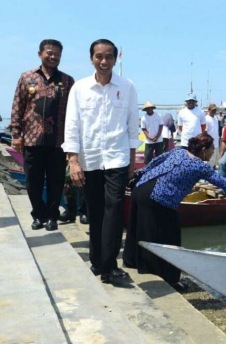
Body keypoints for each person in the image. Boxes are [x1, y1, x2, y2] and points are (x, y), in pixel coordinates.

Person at [123, 133, 226, 288]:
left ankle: (132, 262)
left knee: (139, 228)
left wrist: (140, 176)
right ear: (204, 150)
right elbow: (224, 182)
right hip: (158, 196)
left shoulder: (178, 151)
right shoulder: (200, 166)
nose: (213, 152)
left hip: (141, 188)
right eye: (212, 149)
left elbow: (154, 162)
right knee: (170, 238)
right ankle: (170, 279)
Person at [62, 39, 139, 283]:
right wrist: (73, 161)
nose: (103, 61)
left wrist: (131, 162)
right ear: (91, 59)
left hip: (116, 158)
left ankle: (109, 265)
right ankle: (97, 261)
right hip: (89, 158)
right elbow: (72, 124)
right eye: (99, 56)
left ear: (116, 59)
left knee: (114, 209)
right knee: (95, 212)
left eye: (108, 57)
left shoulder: (127, 87)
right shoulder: (80, 88)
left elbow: (132, 125)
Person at [10, 39, 75, 231]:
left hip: (57, 141)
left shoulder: (67, 81)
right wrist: (15, 133)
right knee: (33, 180)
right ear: (40, 54)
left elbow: (73, 112)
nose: (53, 56)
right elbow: (17, 106)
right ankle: (38, 215)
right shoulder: (27, 77)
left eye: (57, 54)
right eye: (49, 53)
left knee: (56, 181)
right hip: (31, 139)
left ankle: (53, 216)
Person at [141, 101, 164, 165]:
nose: (149, 109)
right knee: (147, 159)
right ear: (145, 110)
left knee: (160, 158)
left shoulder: (158, 115)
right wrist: (150, 137)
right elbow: (144, 129)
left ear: (152, 108)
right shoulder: (143, 118)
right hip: (149, 141)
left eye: (150, 108)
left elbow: (161, 126)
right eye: (148, 108)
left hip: (159, 140)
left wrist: (157, 136)